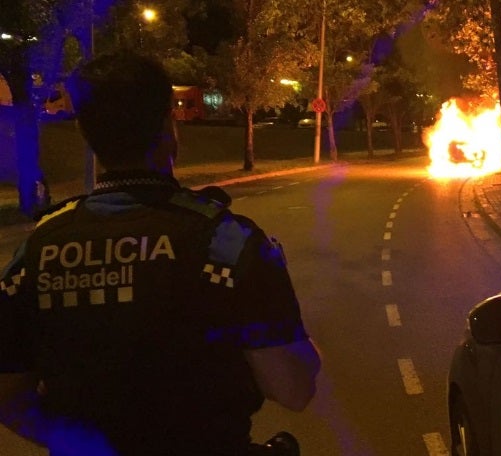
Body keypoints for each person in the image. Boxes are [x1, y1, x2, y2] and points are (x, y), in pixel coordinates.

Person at [0, 52, 321, 455]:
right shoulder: (227, 245)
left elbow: (7, 394)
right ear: (169, 128)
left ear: (85, 132)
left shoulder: (38, 251)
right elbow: (295, 388)